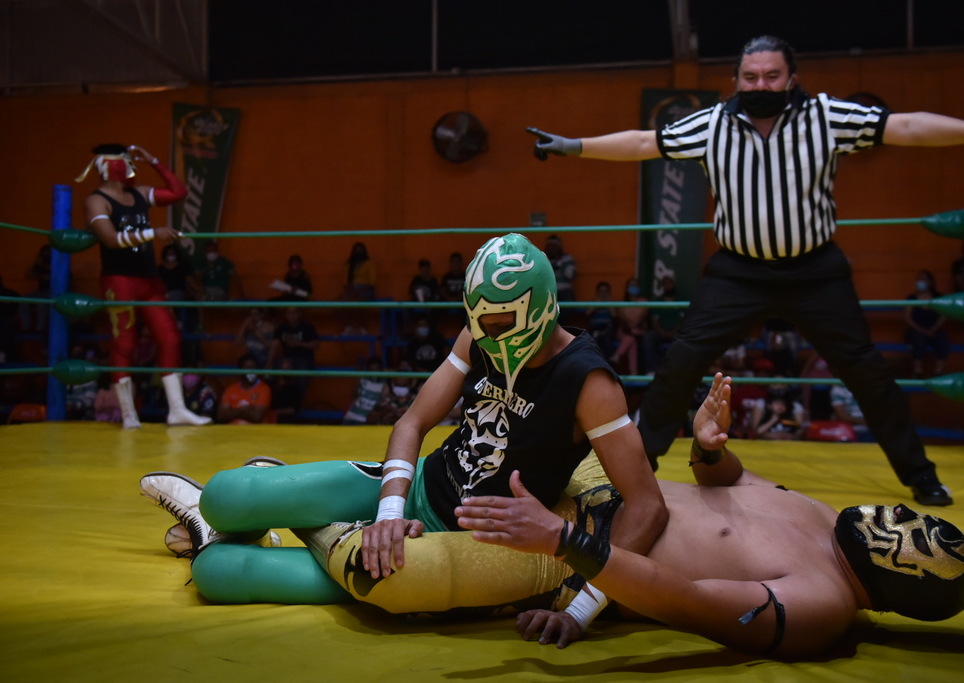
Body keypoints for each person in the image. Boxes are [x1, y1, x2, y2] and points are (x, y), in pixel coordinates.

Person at [525, 35, 964, 505]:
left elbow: (905, 127)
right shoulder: (712, 124)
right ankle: (635, 469)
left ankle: (921, 475)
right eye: (750, 77)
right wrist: (572, 145)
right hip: (738, 272)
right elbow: (642, 143)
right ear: (736, 79)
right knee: (680, 361)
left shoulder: (825, 116)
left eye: (771, 76)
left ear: (791, 78)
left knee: (867, 370)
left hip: (816, 272)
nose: (760, 85)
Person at [140, 233, 667, 640]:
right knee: (226, 496)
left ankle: (301, 528)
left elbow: (648, 506)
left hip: (461, 542)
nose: (491, 336)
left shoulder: (588, 382)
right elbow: (412, 422)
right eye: (481, 322)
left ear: (542, 307)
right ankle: (307, 519)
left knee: (217, 573)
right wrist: (390, 513)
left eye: (503, 323)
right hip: (415, 490)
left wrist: (580, 610)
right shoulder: (480, 331)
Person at [454, 373, 964, 657]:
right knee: (487, 438)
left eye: (919, 534)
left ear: (905, 578)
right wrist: (710, 450)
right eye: (921, 518)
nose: (903, 513)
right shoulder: (828, 519)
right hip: (612, 487)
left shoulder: (821, 604)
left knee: (415, 566)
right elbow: (731, 483)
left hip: (579, 555)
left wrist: (567, 547)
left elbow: (687, 600)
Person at [76, 142, 211, 429]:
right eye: (128, 162)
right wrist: (152, 233)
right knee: (125, 343)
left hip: (150, 280)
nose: (132, 167)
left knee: (170, 337)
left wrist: (155, 161)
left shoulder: (139, 193)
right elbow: (110, 239)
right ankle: (128, 414)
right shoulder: (97, 200)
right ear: (113, 166)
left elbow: (179, 192)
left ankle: (177, 410)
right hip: (120, 279)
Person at [903, 270, 949, 378]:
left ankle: (938, 372)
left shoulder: (939, 297)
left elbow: (943, 316)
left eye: (923, 279)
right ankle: (918, 372)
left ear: (930, 282)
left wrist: (933, 329)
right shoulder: (911, 298)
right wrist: (922, 330)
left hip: (935, 328)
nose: (920, 281)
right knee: (918, 340)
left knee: (942, 340)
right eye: (919, 279)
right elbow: (907, 318)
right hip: (916, 328)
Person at [270, 306, 319, 400]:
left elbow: (316, 344)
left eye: (294, 313)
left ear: (299, 314)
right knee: (278, 370)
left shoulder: (307, 326)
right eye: (288, 313)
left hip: (304, 358)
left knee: (302, 374)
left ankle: (297, 401)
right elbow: (274, 345)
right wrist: (269, 363)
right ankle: (281, 401)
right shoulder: (281, 328)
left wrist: (299, 343)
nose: (291, 316)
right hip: (287, 358)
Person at [216, 355, 272, 425]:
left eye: (253, 367)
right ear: (240, 370)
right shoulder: (231, 389)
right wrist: (242, 410)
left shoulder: (264, 389)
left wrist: (232, 412)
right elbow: (221, 416)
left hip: (254, 430)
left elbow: (256, 416)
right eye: (247, 367)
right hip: (232, 429)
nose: (251, 371)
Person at [609, 277, 648, 375]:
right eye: (631, 285)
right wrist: (630, 325)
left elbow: (638, 319)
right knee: (632, 337)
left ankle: (617, 355)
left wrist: (633, 324)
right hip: (624, 331)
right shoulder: (623, 304)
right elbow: (623, 319)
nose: (633, 287)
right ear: (627, 288)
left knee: (632, 337)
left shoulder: (644, 301)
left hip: (639, 331)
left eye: (635, 285)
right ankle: (634, 372)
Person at [341, 356, 388, 426]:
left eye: (376, 369)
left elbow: (384, 401)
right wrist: (358, 378)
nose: (374, 372)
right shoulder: (362, 379)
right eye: (372, 370)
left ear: (380, 370)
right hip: (351, 417)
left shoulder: (384, 384)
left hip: (367, 421)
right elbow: (353, 395)